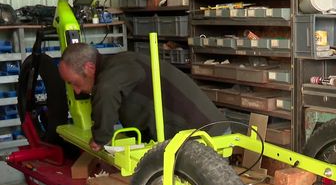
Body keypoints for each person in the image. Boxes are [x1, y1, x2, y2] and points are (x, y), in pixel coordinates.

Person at [58, 43, 227, 151]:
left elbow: (107, 90)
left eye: (75, 82)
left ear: (89, 67)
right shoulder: (117, 67)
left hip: (207, 137)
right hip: (198, 136)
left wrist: (100, 137)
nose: (77, 91)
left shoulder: (120, 67)